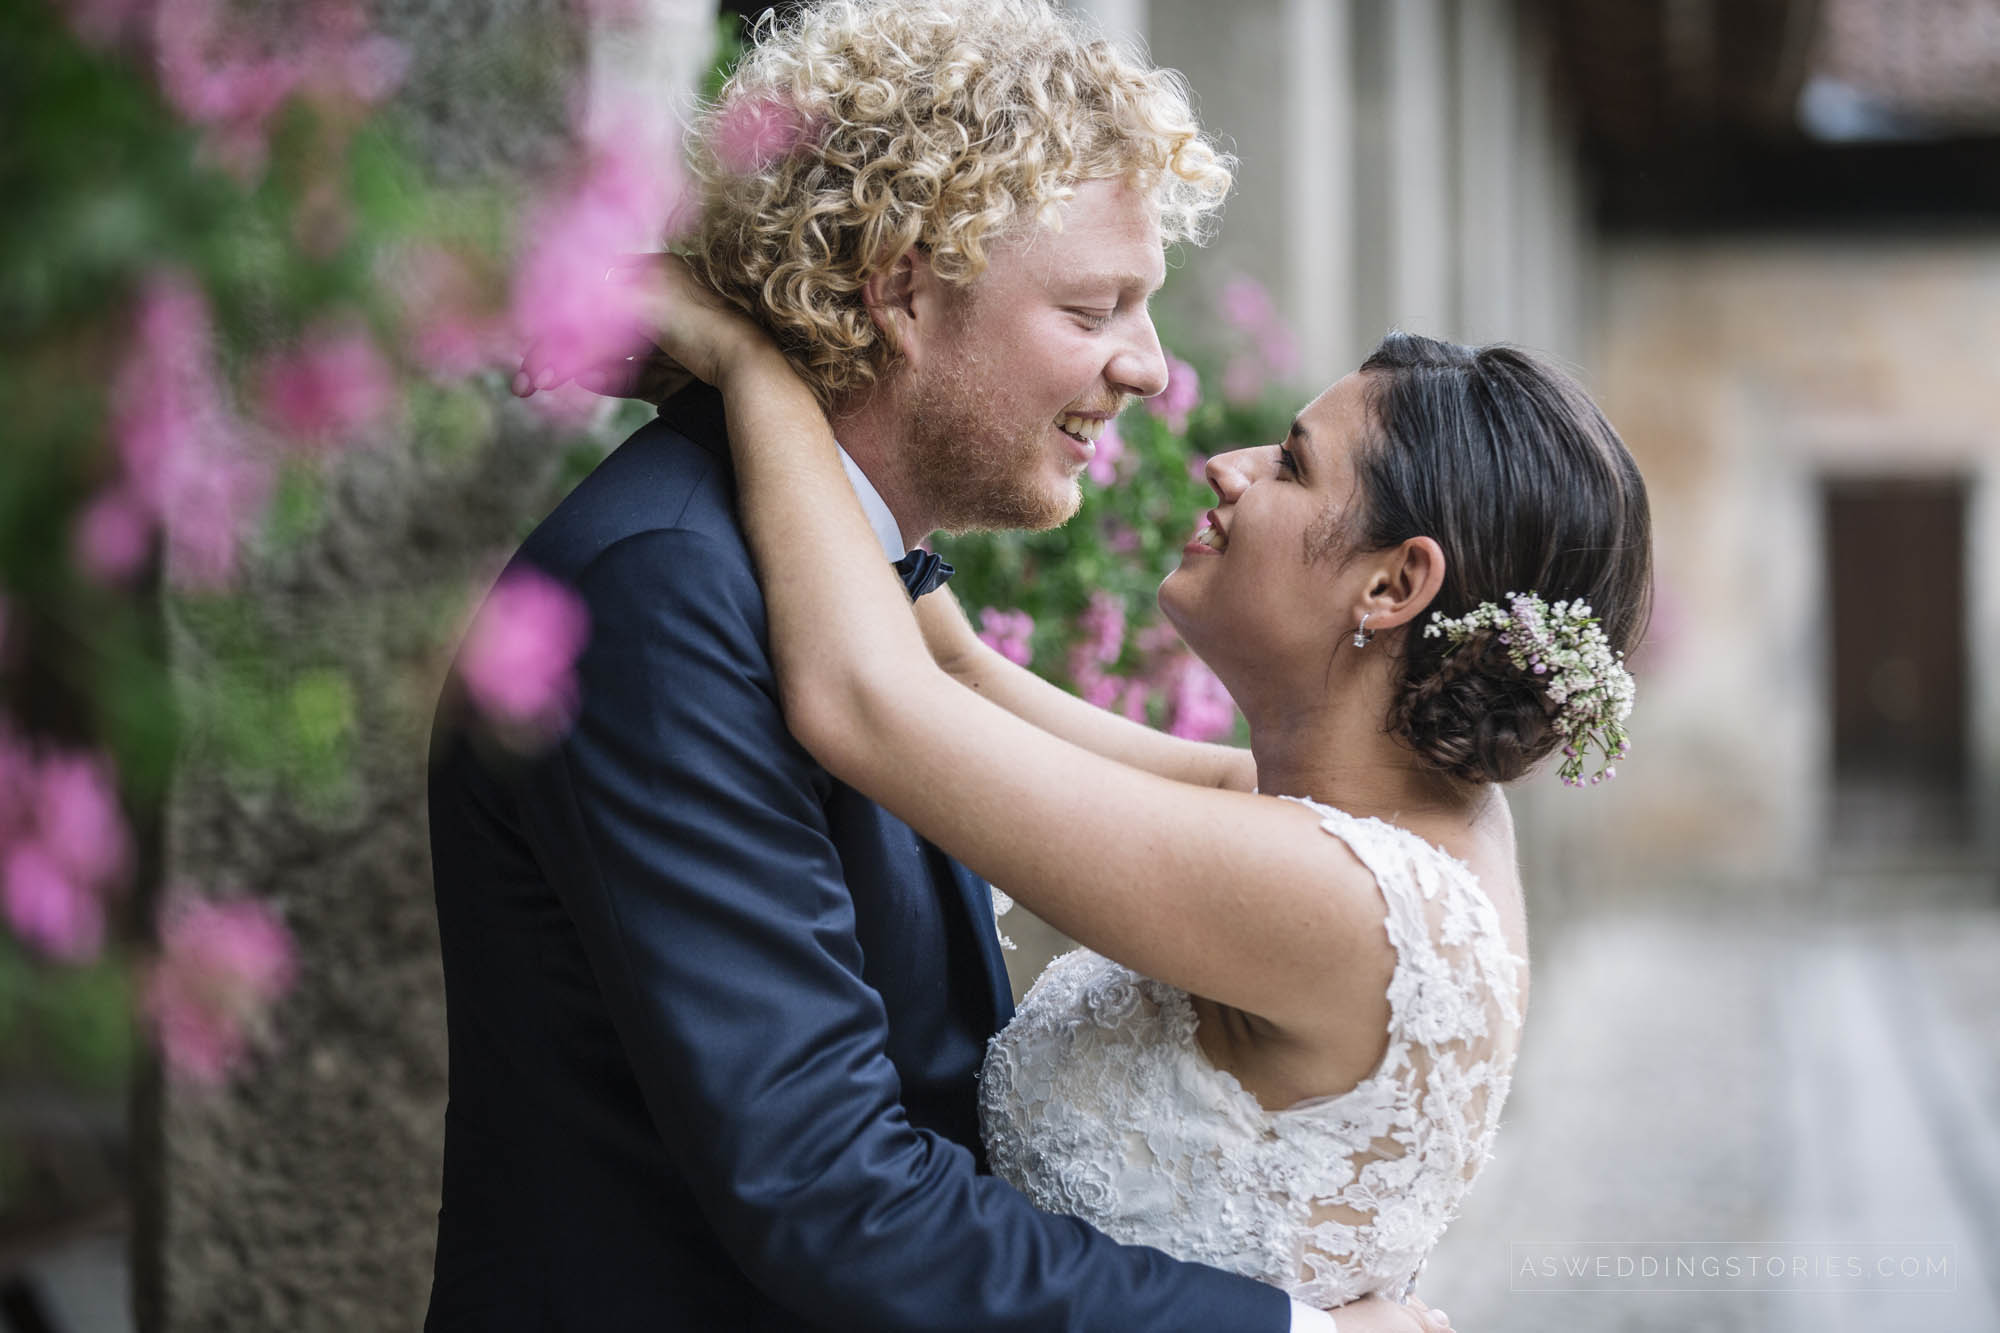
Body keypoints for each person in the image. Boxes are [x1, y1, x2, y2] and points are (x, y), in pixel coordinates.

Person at [427, 0, 1449, 1329]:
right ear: (901, 290)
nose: (1149, 367)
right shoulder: (666, 590)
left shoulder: (841, 587)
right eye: (1096, 307)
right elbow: (827, 1189)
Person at [569, 254, 1651, 1310]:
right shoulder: (1390, 823)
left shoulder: (1340, 900)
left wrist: (747, 360)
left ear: (1394, 582)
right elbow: (953, 670)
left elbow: (865, 702)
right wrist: (844, 382)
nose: (1226, 464)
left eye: (1289, 462)